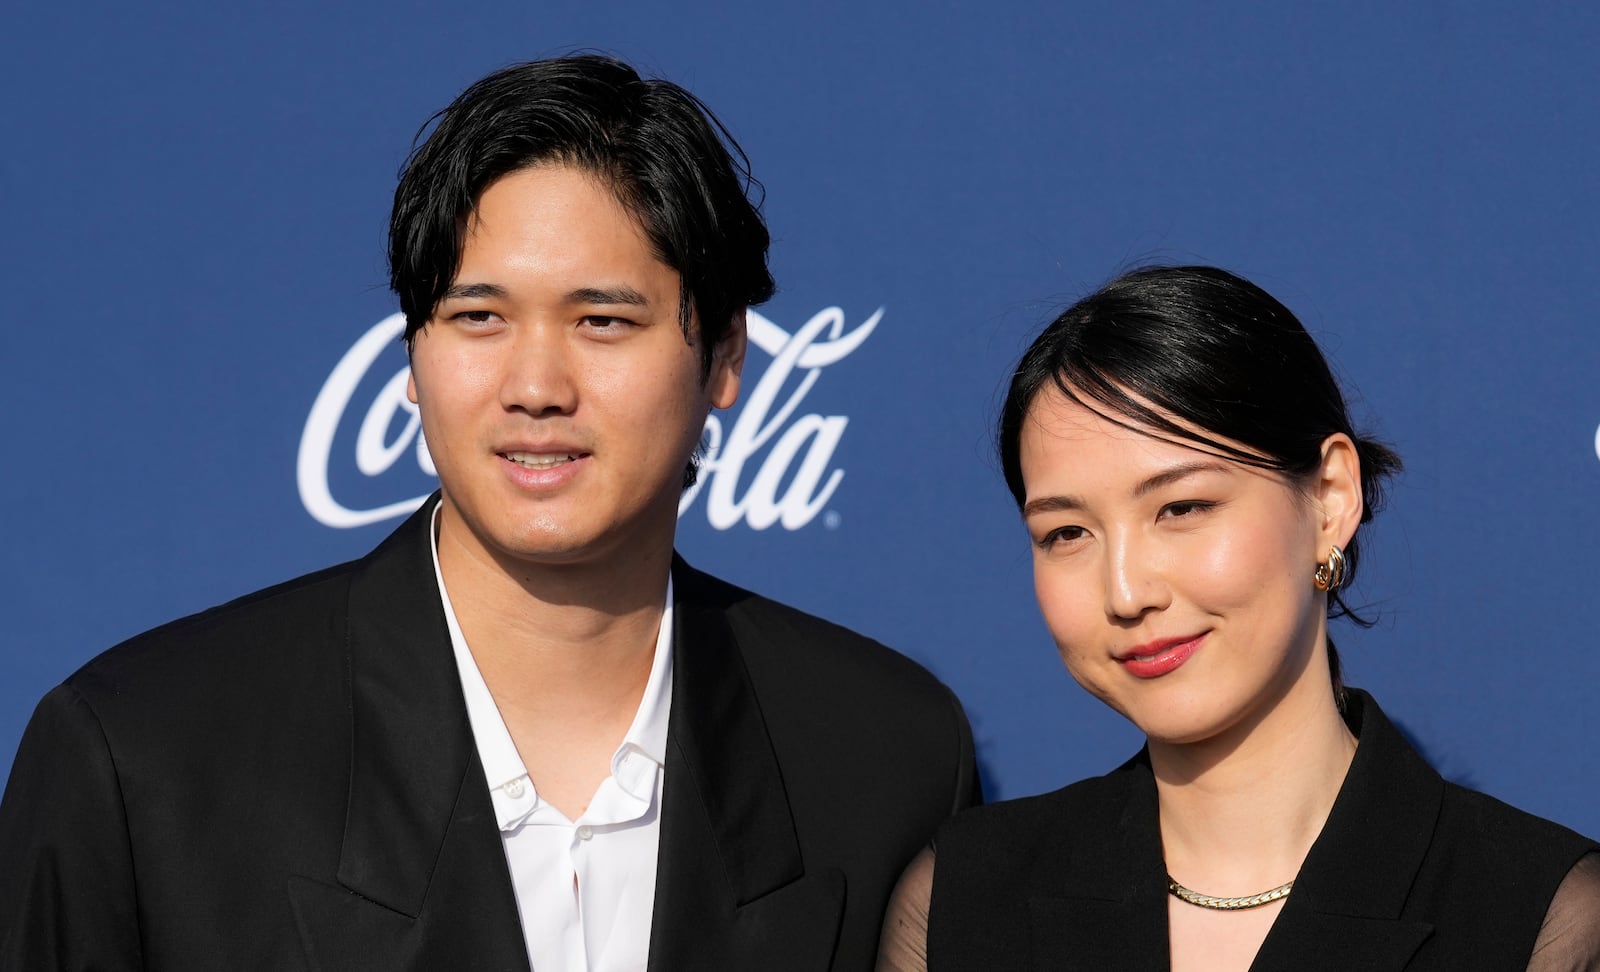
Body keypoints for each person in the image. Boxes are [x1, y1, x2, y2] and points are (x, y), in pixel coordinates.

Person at [0, 55, 979, 971]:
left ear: (724, 357)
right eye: (478, 318)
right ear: (413, 358)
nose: (536, 386)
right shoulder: (144, 760)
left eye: (603, 320)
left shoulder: (884, 755)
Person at [877, 266, 1600, 971]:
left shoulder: (1539, 912)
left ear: (1330, 497)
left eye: (1182, 508)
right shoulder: (962, 900)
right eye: (1067, 533)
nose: (1126, 592)